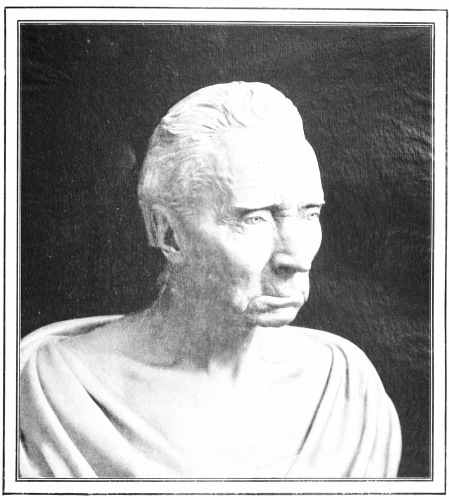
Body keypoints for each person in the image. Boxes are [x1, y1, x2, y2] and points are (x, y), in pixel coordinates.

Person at [19, 81, 401, 478]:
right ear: (168, 233)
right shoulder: (49, 392)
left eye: (310, 214)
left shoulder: (347, 391)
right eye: (255, 218)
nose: (296, 258)